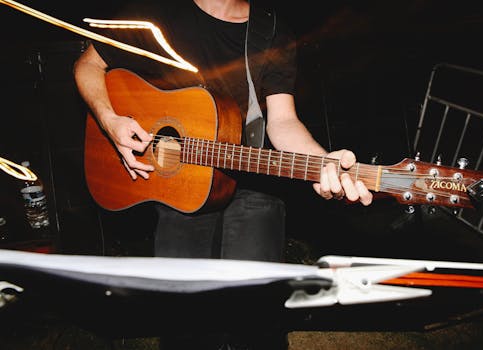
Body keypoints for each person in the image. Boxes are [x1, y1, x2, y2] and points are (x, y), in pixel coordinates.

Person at [73, 0, 373, 348]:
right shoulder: (158, 12)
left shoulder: (270, 28)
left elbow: (282, 121)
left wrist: (324, 164)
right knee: (183, 317)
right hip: (179, 184)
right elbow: (88, 64)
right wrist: (110, 121)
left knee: (256, 313)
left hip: (252, 178)